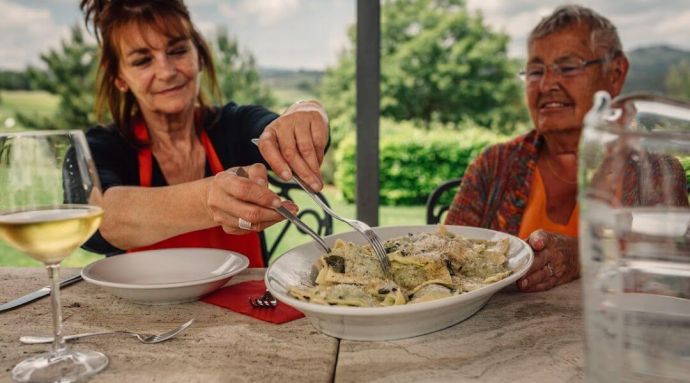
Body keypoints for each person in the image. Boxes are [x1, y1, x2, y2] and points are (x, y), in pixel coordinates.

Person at [445, 5, 688, 292]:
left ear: (616, 72)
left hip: (603, 335)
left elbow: (670, 275)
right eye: (536, 71)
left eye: (568, 67)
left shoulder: (657, 173)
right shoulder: (493, 165)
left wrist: (582, 257)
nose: (547, 84)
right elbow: (445, 256)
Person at [79, 0, 329, 268]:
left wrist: (307, 111)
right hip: (145, 311)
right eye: (142, 60)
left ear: (198, 55)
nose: (166, 71)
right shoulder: (100, 146)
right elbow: (97, 219)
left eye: (177, 51)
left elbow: (282, 133)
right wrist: (208, 201)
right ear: (119, 76)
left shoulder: (235, 125)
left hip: (245, 306)